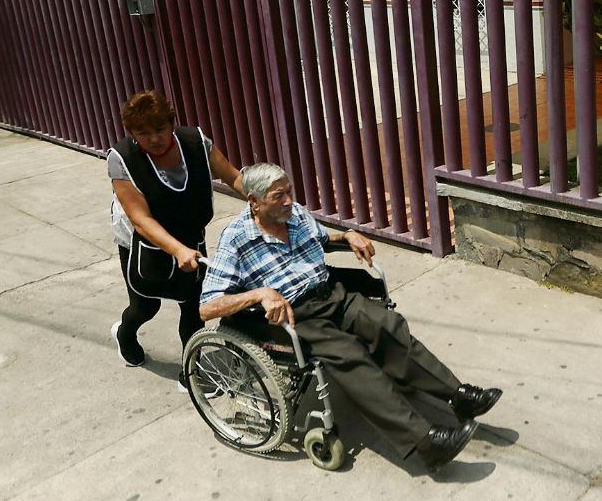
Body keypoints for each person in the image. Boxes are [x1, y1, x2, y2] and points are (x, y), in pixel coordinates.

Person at [198, 163, 501, 471]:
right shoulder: (236, 238)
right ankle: (424, 442)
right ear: (254, 201)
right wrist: (258, 294)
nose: (289, 200)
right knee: (351, 355)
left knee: (388, 325)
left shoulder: (296, 214)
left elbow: (320, 240)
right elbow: (207, 306)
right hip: (296, 318)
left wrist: (347, 236)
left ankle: (457, 396)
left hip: (331, 293)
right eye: (279, 196)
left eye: (289, 191)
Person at [108, 90, 245, 392]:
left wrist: (262, 198)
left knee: (193, 306)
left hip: (190, 236)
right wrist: (176, 249)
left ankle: (190, 368)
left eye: (159, 129)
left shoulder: (195, 142)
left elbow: (234, 177)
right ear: (131, 133)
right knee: (145, 307)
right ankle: (125, 334)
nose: (154, 138)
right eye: (143, 133)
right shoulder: (122, 159)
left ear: (171, 123)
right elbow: (141, 220)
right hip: (145, 244)